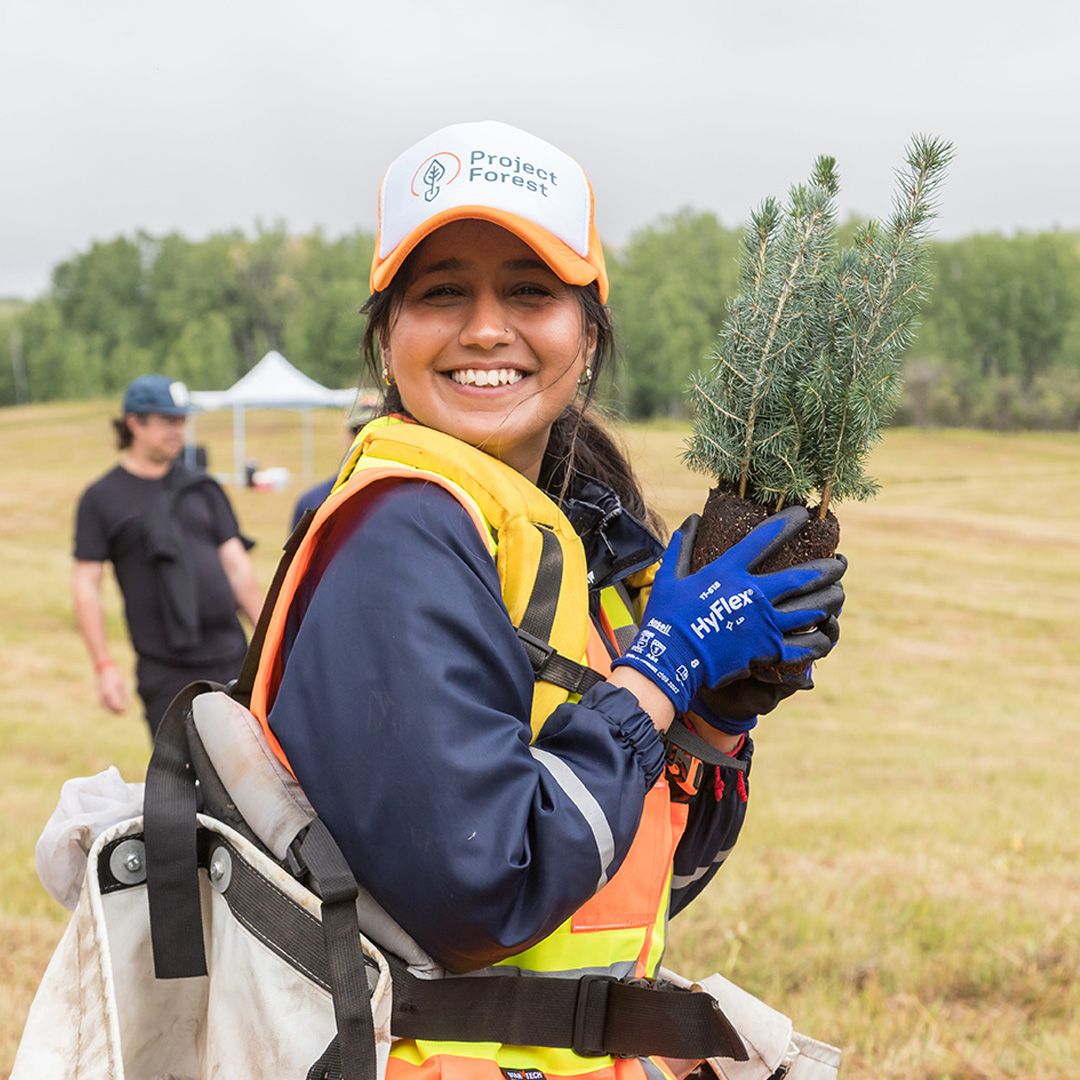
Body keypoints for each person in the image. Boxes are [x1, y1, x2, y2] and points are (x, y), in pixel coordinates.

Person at [249, 121, 846, 1080]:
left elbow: (617, 891)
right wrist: (661, 672)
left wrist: (708, 727)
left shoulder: (556, 533)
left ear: (589, 333)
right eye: (442, 291)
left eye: (529, 291)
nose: (486, 328)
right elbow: (489, 886)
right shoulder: (400, 534)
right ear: (388, 334)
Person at [72, 374, 263, 738]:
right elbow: (87, 585)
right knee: (183, 789)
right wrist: (104, 665)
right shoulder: (102, 497)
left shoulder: (202, 487)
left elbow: (237, 567)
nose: (178, 431)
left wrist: (271, 644)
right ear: (134, 424)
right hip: (166, 673)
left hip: (233, 658)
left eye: (182, 421)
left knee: (251, 779)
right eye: (166, 422)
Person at [288, 394, 378, 532]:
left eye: (377, 431)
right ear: (347, 435)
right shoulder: (313, 502)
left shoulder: (412, 499)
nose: (366, 439)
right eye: (358, 431)